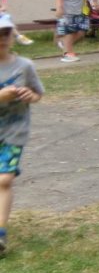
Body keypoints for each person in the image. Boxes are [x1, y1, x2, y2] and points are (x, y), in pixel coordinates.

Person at [0, 16, 44, 256]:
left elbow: (38, 93)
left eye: (6, 33)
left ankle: (0, 234)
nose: (2, 39)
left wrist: (30, 95)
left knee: (4, 180)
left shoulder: (24, 66)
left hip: (14, 131)